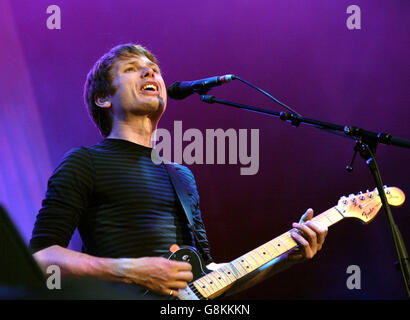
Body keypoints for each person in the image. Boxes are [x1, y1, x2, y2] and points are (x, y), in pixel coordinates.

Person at [29, 43, 328, 299]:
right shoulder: (84, 162)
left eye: (154, 69)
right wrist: (131, 270)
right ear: (103, 98)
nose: (150, 73)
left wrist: (285, 258)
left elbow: (210, 278)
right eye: (132, 68)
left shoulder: (181, 176)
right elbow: (40, 260)